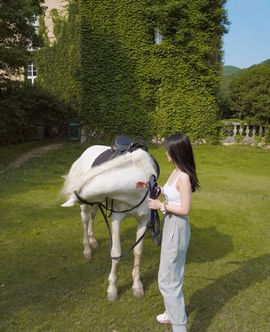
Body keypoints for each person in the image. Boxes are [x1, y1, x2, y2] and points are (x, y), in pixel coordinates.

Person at [148, 133, 199, 332]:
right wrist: (158, 190)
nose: (165, 152)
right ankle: (171, 312)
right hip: (171, 225)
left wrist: (162, 206)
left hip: (177, 227)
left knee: (167, 279)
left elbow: (185, 209)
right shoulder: (175, 172)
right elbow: (172, 193)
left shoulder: (184, 177)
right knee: (173, 274)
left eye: (168, 148)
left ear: (176, 152)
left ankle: (179, 326)